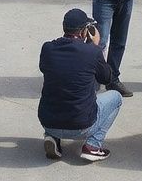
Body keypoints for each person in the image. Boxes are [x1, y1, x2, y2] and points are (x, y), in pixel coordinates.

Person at [38, 9, 120, 162]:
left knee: (57, 90)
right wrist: (96, 47)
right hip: (81, 125)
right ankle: (92, 146)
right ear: (84, 31)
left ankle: (52, 137)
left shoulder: (47, 48)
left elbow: (45, 69)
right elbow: (107, 78)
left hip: (48, 121)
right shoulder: (91, 52)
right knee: (116, 97)